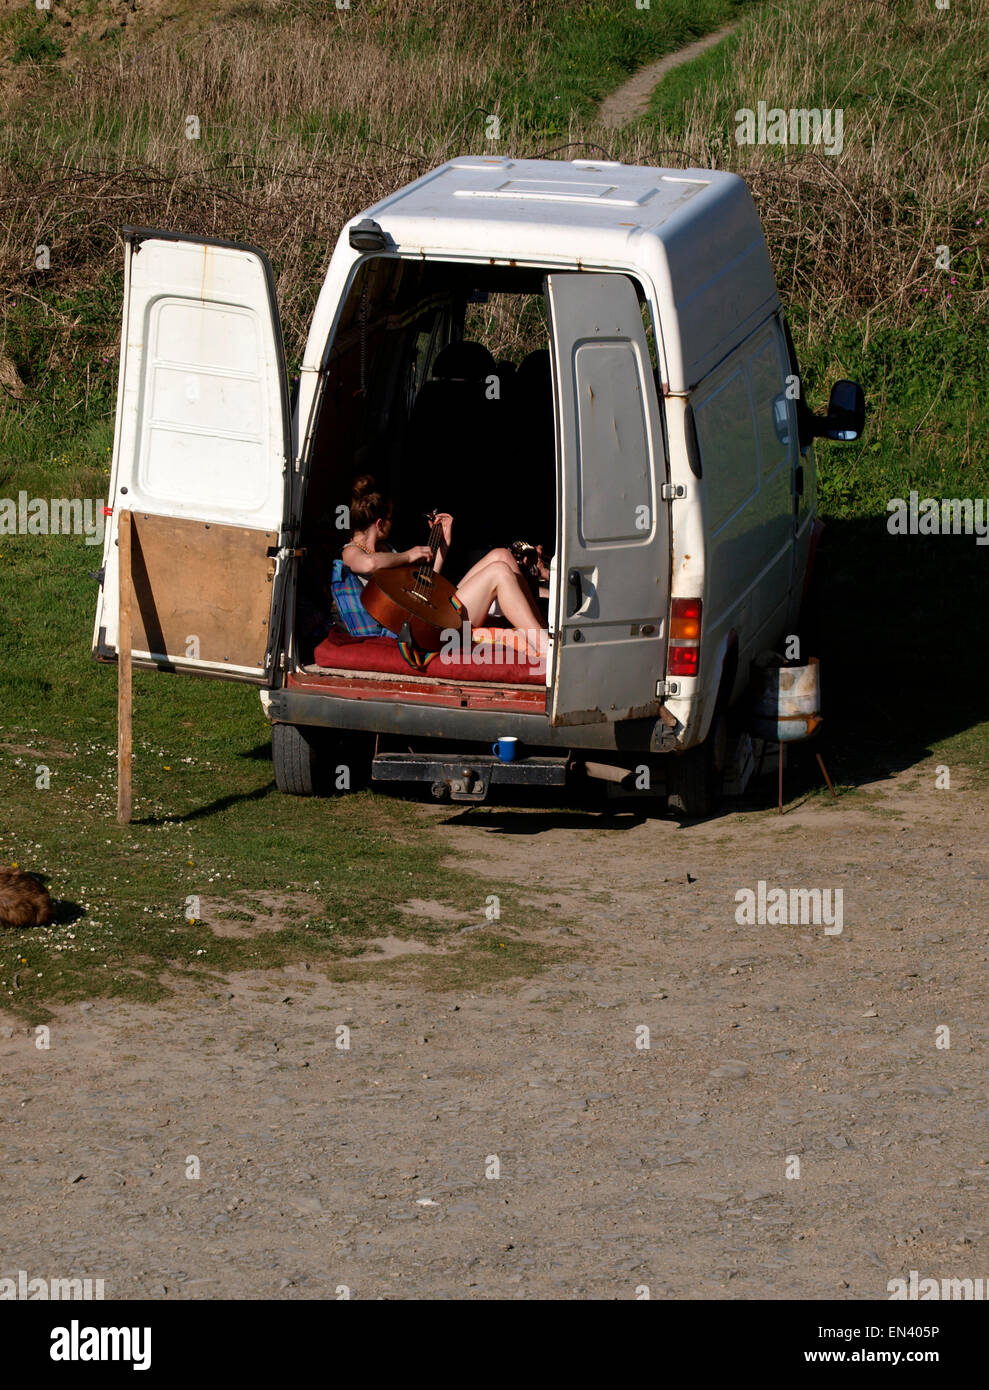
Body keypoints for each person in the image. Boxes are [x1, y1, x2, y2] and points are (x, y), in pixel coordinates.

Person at [334, 475, 548, 661]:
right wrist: (409, 555)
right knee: (499, 572)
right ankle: (547, 650)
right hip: (423, 629)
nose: (393, 524)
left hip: (431, 613)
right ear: (380, 524)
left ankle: (542, 635)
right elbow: (369, 563)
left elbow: (427, 586)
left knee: (502, 555)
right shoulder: (351, 551)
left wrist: (443, 546)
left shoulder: (387, 549)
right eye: (391, 519)